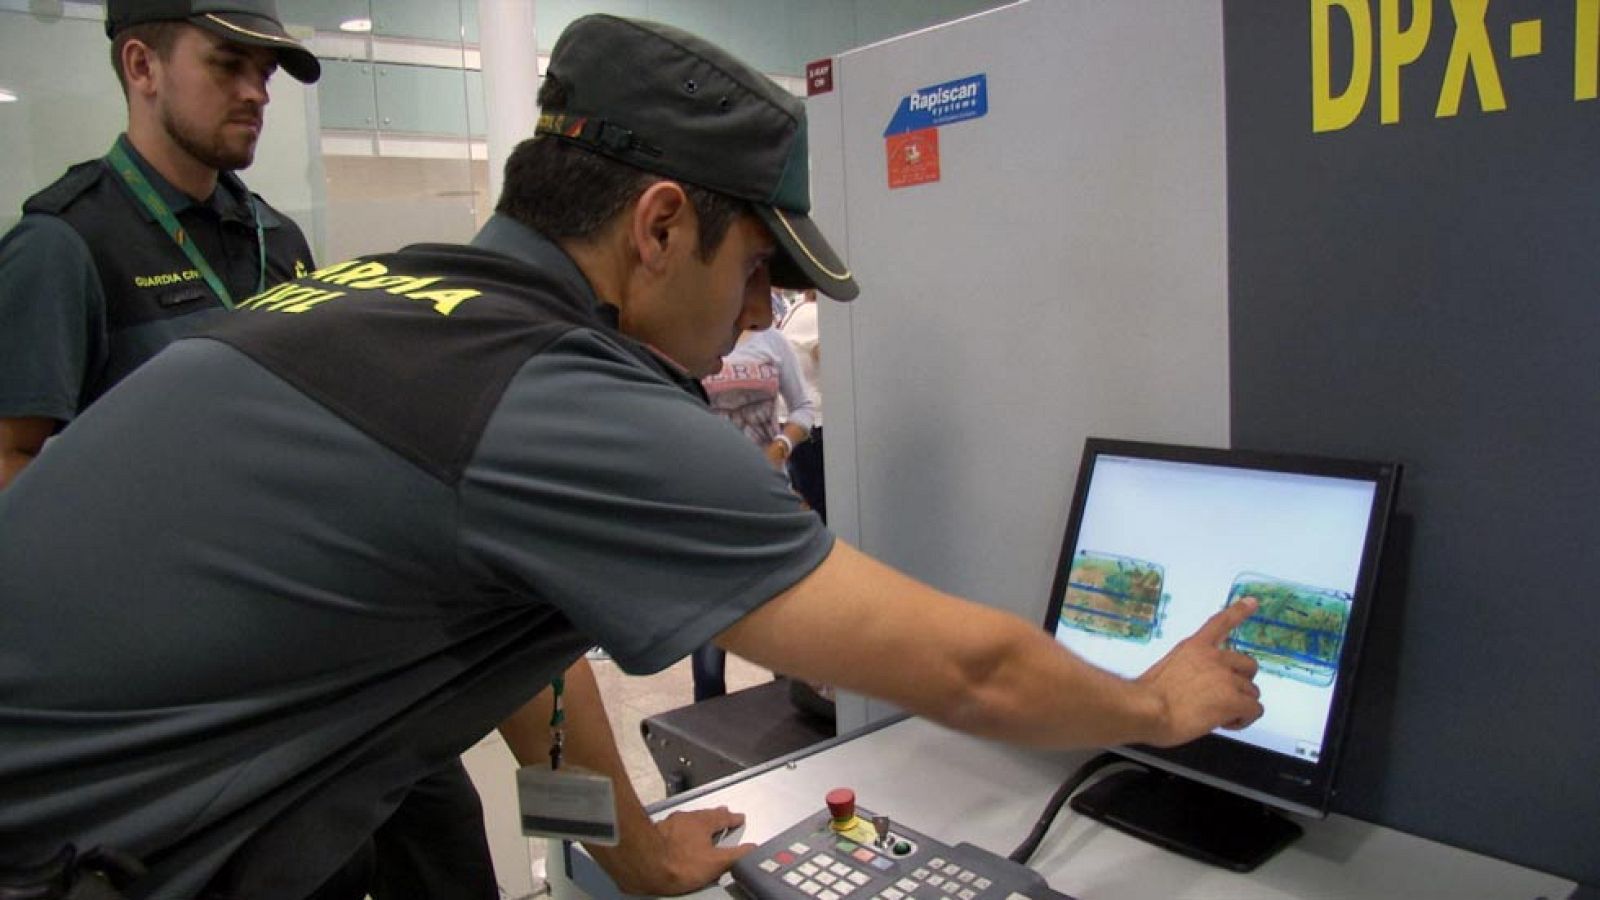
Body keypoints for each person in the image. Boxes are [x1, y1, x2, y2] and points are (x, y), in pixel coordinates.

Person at [0, 13, 1264, 900]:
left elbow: (474, 629)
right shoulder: (550, 392)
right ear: (661, 225)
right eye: (758, 270)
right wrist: (1159, 704)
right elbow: (970, 671)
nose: (762, 320)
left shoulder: (388, 297)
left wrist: (634, 852)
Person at [0, 3, 497, 898]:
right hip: (204, 710)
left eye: (265, 73)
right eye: (229, 64)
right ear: (142, 67)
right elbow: (13, 474)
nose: (256, 91)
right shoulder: (63, 246)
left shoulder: (279, 241)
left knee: (451, 855)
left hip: (344, 666)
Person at [693, 311, 818, 701]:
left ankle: (789, 719)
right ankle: (708, 723)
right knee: (711, 626)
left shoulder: (773, 342)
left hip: (768, 496)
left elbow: (803, 409)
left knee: (780, 612)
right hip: (710, 502)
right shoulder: (697, 338)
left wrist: (781, 447)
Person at [778, 289, 827, 522]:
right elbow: (838, 365)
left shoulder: (798, 308)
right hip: (813, 424)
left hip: (795, 421)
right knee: (823, 507)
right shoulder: (815, 315)